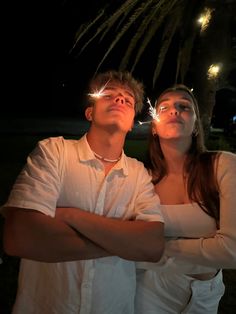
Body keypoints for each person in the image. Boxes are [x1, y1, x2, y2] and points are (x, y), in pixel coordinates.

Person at [1, 70, 164, 314]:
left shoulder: (139, 174)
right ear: (90, 112)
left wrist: (70, 216)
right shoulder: (54, 152)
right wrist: (124, 242)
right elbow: (20, 237)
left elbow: (152, 246)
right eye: (108, 94)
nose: (119, 99)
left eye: (127, 99)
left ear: (131, 123)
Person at [135, 84, 236, 314]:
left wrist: (159, 247)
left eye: (184, 106)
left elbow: (232, 251)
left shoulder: (223, 166)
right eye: (164, 107)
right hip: (150, 288)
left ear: (196, 126)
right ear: (153, 128)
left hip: (206, 293)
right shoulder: (142, 178)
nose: (174, 111)